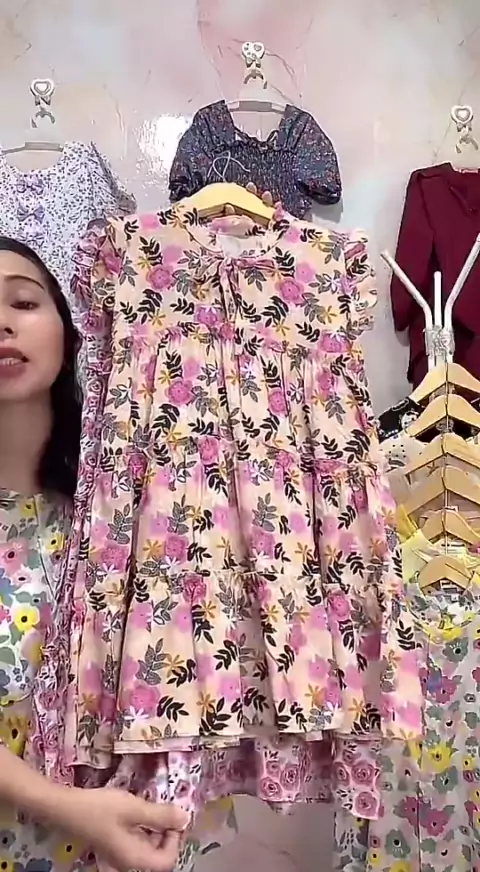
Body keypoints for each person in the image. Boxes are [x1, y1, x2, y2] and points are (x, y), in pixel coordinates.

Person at [0, 236, 188, 872]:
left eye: (23, 302)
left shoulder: (130, 508)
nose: (2, 323)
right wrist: (65, 806)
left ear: (68, 332)